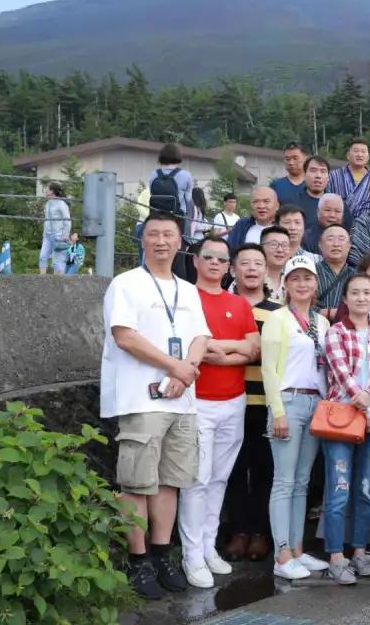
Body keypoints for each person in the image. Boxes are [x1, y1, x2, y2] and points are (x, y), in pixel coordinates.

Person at [100, 211, 210, 600]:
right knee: (135, 482)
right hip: (139, 396)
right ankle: (138, 559)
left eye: (169, 235)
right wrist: (173, 366)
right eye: (153, 234)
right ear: (142, 241)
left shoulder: (189, 288)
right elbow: (125, 336)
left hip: (183, 399)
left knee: (169, 481)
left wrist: (186, 371)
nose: (162, 241)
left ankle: (163, 554)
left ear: (181, 242)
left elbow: (200, 337)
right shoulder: (126, 284)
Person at [178, 236, 259, 588]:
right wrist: (230, 350)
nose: (214, 263)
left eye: (221, 259)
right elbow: (193, 348)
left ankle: (209, 546)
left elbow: (253, 349)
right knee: (196, 480)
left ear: (229, 266)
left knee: (220, 478)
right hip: (198, 401)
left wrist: (217, 348)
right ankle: (191, 555)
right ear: (196, 261)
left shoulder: (239, 304)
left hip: (234, 400)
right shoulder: (184, 299)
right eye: (207, 257)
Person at [320, 273, 370, 584]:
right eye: (356, 292)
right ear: (346, 298)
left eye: (367, 292)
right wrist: (367, 404)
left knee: (365, 491)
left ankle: (360, 551)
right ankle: (336, 556)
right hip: (341, 418)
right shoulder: (336, 332)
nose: (362, 297)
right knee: (339, 490)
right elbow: (341, 376)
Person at [261, 255, 332, 580]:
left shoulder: (322, 321)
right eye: (295, 278)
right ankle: (282, 553)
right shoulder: (278, 318)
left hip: (315, 403)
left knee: (302, 483)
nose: (302, 284)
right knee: (284, 481)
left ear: (316, 284)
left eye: (308, 278)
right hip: (288, 403)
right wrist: (276, 411)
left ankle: (298, 550)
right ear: (286, 285)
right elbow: (268, 369)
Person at [224, 244, 282, 564]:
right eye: (244, 262)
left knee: (263, 469)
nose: (251, 268)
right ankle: (237, 531)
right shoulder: (226, 307)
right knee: (233, 470)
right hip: (230, 399)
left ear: (266, 270)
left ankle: (260, 533)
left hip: (265, 402)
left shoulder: (277, 311)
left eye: (257, 263)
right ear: (233, 269)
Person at [328, 138, 370, 219]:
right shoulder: (334, 175)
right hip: (338, 222)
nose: (359, 154)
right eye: (356, 151)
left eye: (363, 152)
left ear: (368, 156)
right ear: (348, 155)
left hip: (365, 226)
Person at [316, 224, 353, 321]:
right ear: (320, 245)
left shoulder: (357, 275)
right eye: (330, 239)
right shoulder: (311, 273)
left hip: (349, 330)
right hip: (316, 328)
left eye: (341, 239)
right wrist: (328, 313)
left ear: (349, 246)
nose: (336, 244)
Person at [148, 143, 194, 219]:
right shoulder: (186, 175)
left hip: (156, 216)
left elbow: (151, 193)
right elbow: (188, 199)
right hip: (177, 216)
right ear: (178, 155)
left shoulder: (154, 174)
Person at [227, 185, 279, 251]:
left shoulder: (285, 226)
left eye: (266, 201)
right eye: (256, 202)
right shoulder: (241, 226)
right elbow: (229, 252)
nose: (261, 206)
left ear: (277, 205)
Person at [39, 182, 71, 275]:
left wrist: (65, 235)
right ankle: (42, 279)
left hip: (59, 236)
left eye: (47, 189)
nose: (45, 191)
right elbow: (46, 220)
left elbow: (67, 221)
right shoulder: (48, 203)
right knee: (42, 257)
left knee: (57, 262)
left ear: (52, 191)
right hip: (47, 235)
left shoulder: (61, 203)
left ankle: (58, 283)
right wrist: (44, 235)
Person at [259, 226, 293, 304]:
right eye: (273, 244)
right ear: (261, 248)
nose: (280, 250)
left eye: (284, 245)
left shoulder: (291, 282)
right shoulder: (251, 278)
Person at [270, 143, 307, 207]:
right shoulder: (276, 185)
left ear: (305, 158)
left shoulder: (314, 185)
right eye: (287, 159)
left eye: (295, 158)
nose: (291, 163)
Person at [300, 156, 331, 230]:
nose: (318, 176)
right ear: (304, 175)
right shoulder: (292, 203)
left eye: (323, 171)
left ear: (328, 177)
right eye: (313, 170)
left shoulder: (338, 204)